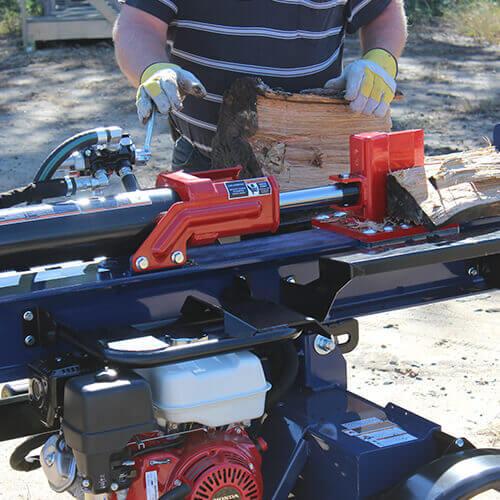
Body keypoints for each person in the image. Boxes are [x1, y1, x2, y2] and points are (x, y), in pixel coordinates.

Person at [114, 0, 407, 172]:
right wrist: (153, 68)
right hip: (204, 164)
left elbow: (384, 12)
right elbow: (137, 24)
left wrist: (380, 62)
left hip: (313, 163)